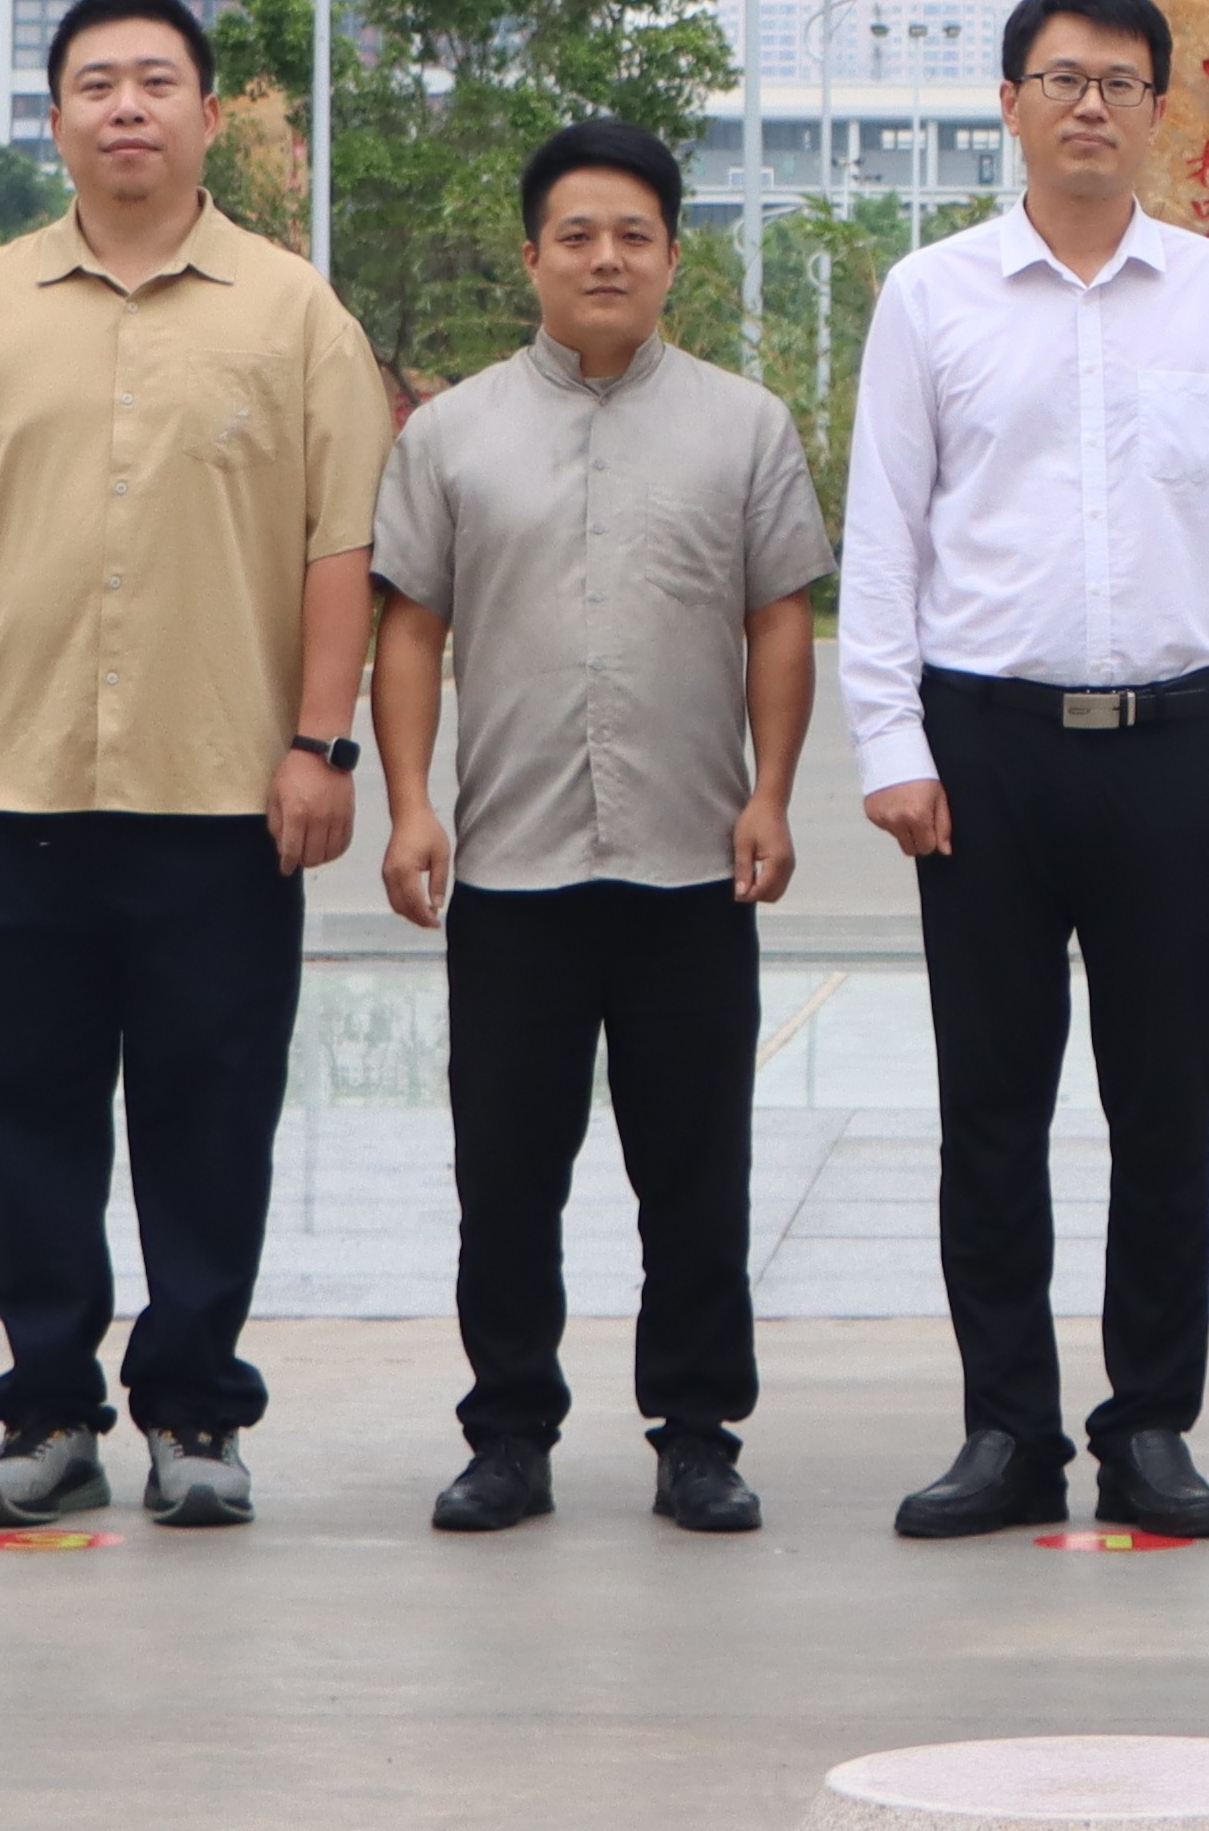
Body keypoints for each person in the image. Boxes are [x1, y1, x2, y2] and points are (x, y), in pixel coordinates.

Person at [0, 0, 391, 1533]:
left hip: (224, 799)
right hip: (8, 796)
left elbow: (341, 546)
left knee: (211, 1116)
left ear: (209, 116)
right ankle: (47, 1410)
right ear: (56, 118)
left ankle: (196, 1412)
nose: (128, 108)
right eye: (97, 84)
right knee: (21, 1113)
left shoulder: (294, 314)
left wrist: (322, 744)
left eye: (157, 82)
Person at [843, 0, 1209, 1544]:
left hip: (1173, 749)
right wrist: (891, 741)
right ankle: (1007, 1429)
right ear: (1011, 104)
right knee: (993, 1109)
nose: (1090, 105)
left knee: (1163, 1110)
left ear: (1158, 110)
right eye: (1062, 78)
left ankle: (1151, 1425)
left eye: (1119, 81)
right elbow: (884, 536)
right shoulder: (933, 298)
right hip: (984, 753)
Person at [370, 115, 825, 1538]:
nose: (606, 258)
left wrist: (771, 790)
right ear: (532, 258)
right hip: (513, 869)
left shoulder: (744, 426)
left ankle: (698, 1435)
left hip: (694, 861)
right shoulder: (451, 435)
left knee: (696, 1170)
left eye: (634, 234)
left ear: (674, 256)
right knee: (506, 1172)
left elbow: (779, 619)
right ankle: (508, 1433)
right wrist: (410, 804)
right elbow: (410, 626)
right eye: (577, 234)